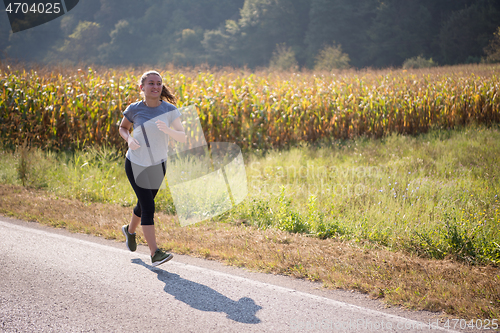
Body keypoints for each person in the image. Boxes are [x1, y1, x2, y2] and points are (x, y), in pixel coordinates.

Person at [119, 70, 186, 266]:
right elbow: (123, 127)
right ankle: (154, 253)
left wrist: (168, 130)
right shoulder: (134, 108)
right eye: (151, 83)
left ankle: (129, 231)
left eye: (159, 83)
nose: (155, 87)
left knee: (143, 203)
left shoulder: (169, 110)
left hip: (158, 164)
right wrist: (129, 138)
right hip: (136, 163)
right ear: (142, 88)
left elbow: (182, 136)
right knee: (148, 206)